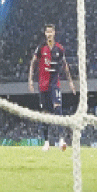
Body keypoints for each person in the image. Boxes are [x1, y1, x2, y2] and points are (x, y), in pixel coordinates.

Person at [28, 23, 76, 151]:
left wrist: (70, 82)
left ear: (54, 33)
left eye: (51, 32)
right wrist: (30, 80)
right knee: (45, 113)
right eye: (47, 32)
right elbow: (33, 63)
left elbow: (65, 65)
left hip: (54, 83)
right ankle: (46, 142)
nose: (49, 34)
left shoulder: (59, 48)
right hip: (43, 85)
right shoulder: (41, 48)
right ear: (45, 33)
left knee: (58, 108)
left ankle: (61, 140)